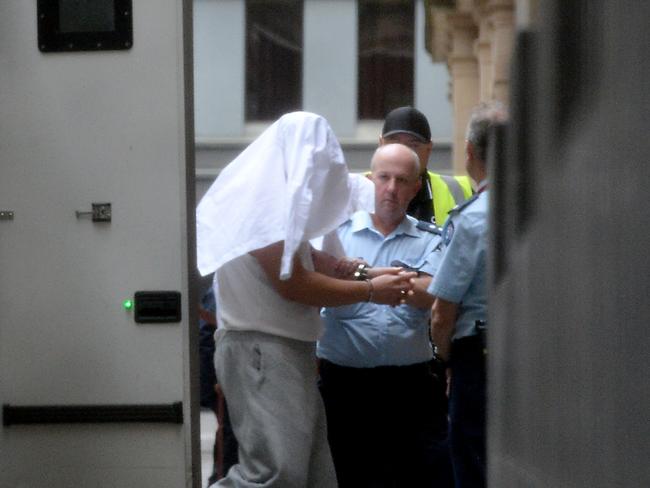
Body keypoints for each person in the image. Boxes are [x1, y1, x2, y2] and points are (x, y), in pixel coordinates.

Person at [196, 111, 415, 488]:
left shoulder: (269, 194)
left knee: (314, 477)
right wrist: (370, 290)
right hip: (262, 350)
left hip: (281, 350)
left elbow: (310, 261)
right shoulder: (260, 201)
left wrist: (360, 272)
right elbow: (294, 284)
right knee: (272, 476)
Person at [317, 143, 454, 487]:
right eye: (384, 178)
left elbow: (433, 294)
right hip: (344, 386)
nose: (391, 189)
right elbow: (319, 287)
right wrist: (399, 279)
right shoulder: (335, 236)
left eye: (401, 180)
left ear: (415, 187)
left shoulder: (431, 239)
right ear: (369, 180)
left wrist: (359, 274)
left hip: (410, 388)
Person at [429, 102, 507, 488]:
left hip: (479, 356)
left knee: (473, 462)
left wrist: (443, 360)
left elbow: (443, 312)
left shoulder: (472, 219)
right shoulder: (542, 208)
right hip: (537, 352)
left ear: (470, 153)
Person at [379, 106, 474, 225]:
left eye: (413, 145)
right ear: (381, 144)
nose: (402, 152)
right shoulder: (358, 189)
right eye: (394, 144)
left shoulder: (458, 191)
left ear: (429, 149)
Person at [198, 283, 239, 484]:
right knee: (230, 433)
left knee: (232, 432)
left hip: (225, 372)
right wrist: (218, 376)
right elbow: (209, 332)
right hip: (220, 377)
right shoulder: (222, 285)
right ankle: (220, 479)